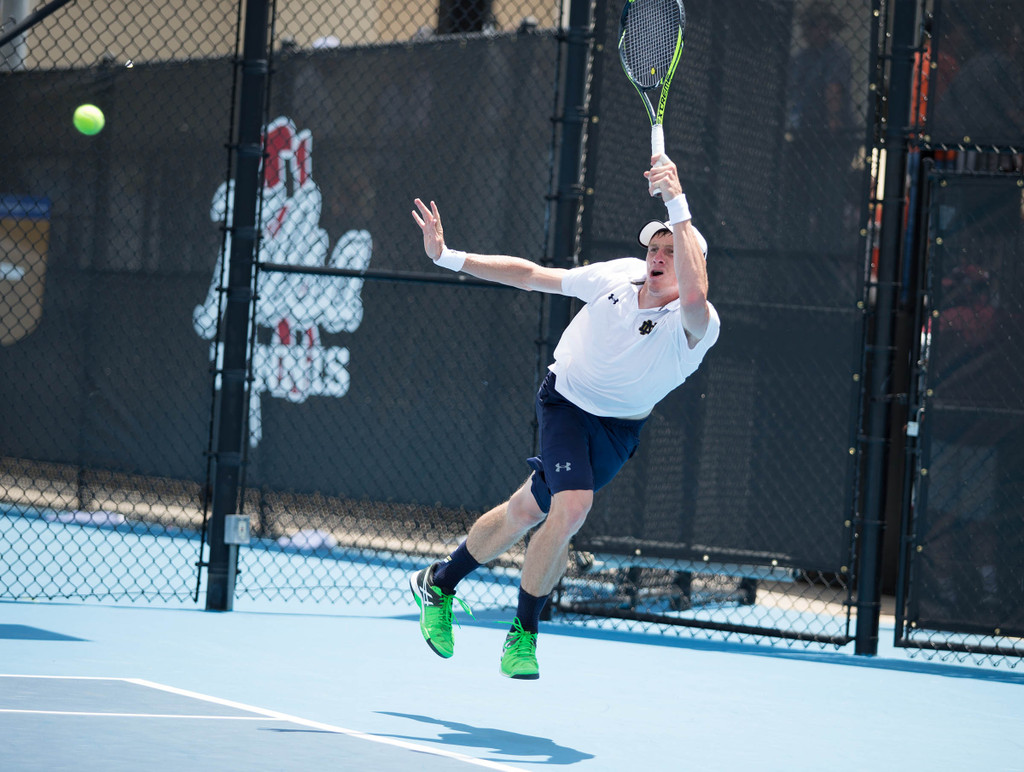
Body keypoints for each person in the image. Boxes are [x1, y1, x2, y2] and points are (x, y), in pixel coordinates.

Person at [408, 154, 720, 679]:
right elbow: (533, 276)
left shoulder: (696, 324)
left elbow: (695, 292)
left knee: (526, 510)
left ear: (691, 260)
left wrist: (677, 201)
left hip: (619, 430)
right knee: (572, 507)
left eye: (671, 250)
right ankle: (524, 634)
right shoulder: (616, 277)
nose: (658, 257)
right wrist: (449, 257)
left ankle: (439, 582)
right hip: (566, 402)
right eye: (654, 248)